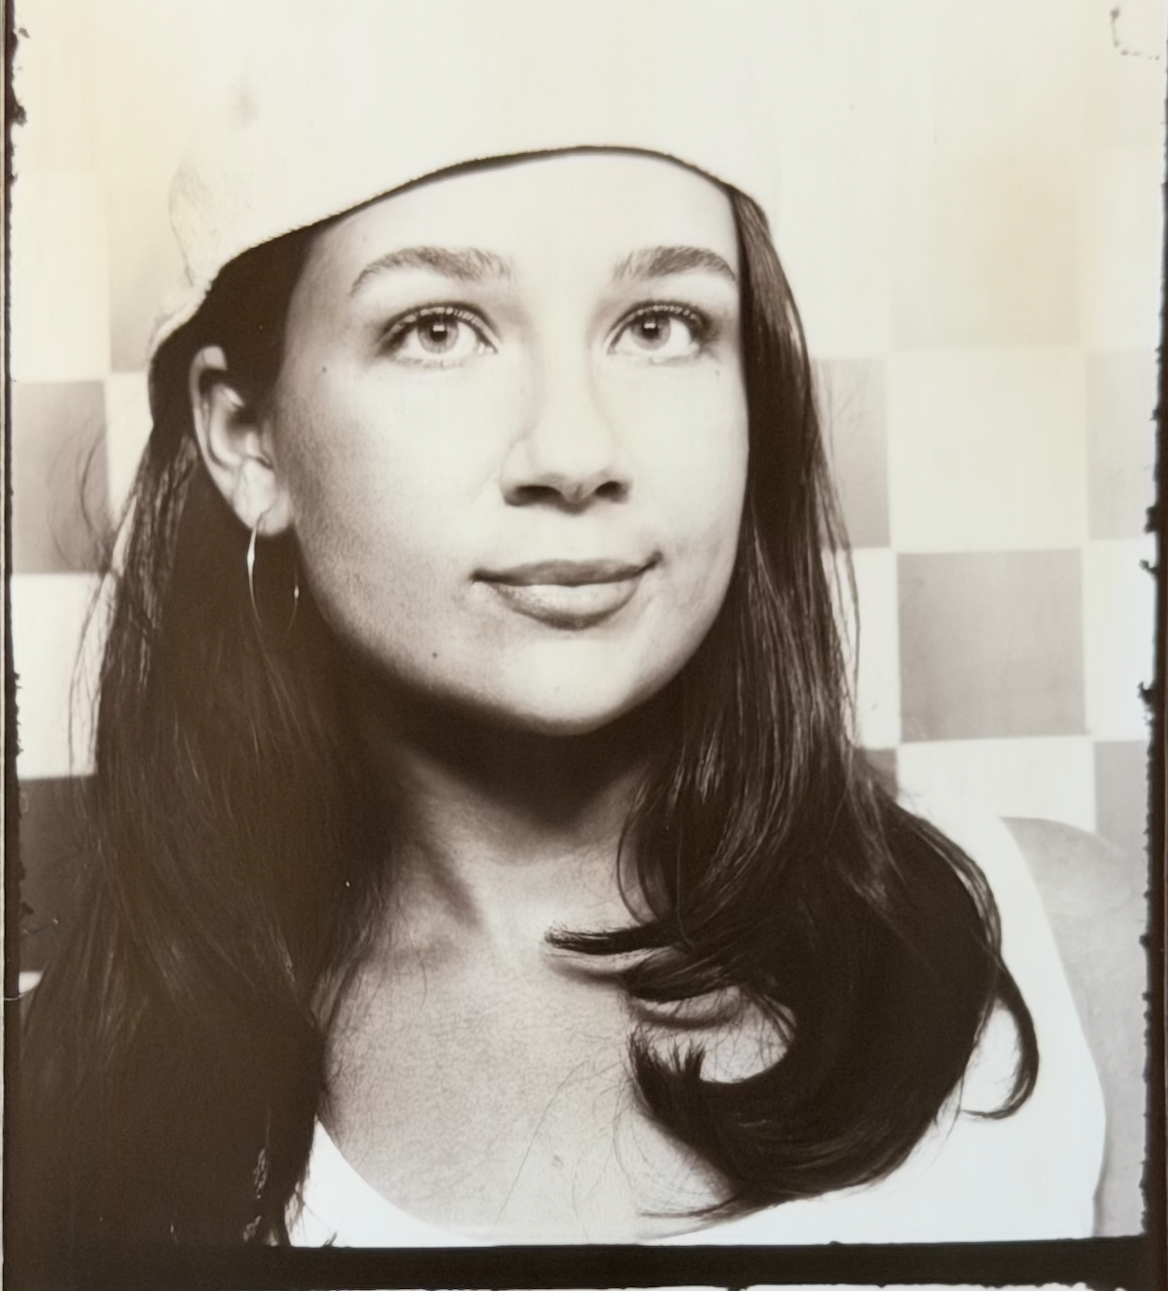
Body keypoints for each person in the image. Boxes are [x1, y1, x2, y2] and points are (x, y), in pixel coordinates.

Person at [14, 133, 1137, 1258]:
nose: (574, 451)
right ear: (248, 440)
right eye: (437, 328)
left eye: (660, 325)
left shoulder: (1072, 951)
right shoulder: (65, 1110)